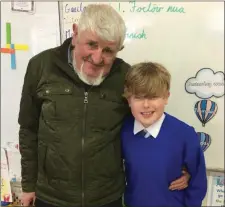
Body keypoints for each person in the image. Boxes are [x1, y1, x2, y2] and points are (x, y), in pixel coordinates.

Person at [18, 4, 190, 207]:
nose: (98, 58)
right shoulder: (41, 66)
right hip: (51, 196)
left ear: (119, 49)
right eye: (91, 44)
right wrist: (28, 185)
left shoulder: (125, 76)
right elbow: (28, 129)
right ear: (75, 34)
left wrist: (179, 164)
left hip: (107, 197)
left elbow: (148, 124)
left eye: (108, 50)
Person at [121, 62, 208, 207]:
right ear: (129, 99)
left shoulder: (184, 134)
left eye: (153, 97)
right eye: (138, 97)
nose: (146, 105)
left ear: (166, 97)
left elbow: (198, 180)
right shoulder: (123, 131)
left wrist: (189, 178)